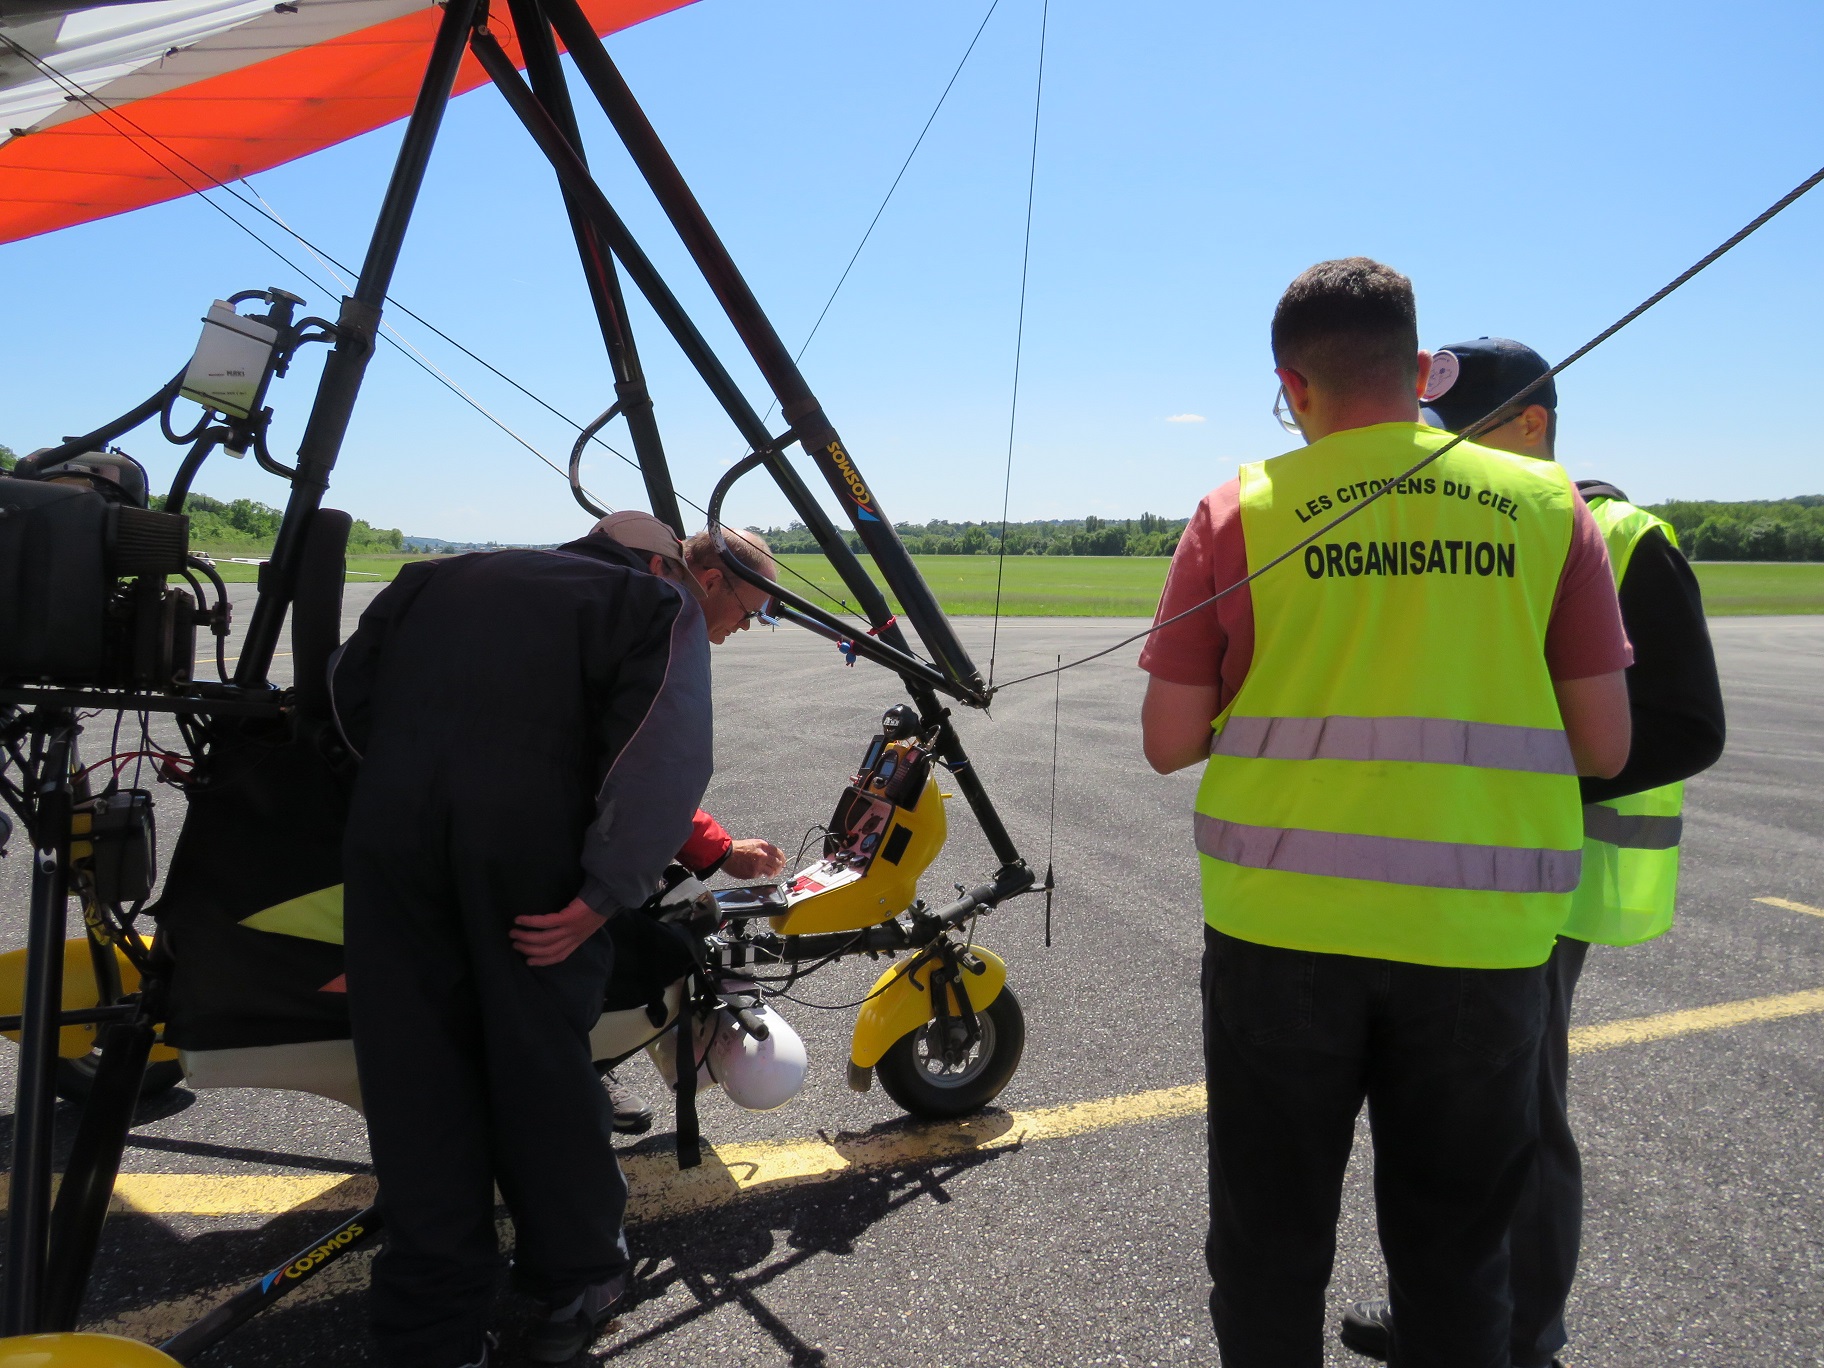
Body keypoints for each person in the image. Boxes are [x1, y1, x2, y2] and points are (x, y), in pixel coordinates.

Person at [1139, 258, 1635, 1368]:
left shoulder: (1240, 509)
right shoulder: (1550, 507)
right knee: (1459, 1258)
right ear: (1417, 370)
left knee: (1270, 1249)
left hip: (1281, 935)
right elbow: (1606, 743)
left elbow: (1169, 742)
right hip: (1482, 942)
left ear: (1291, 388)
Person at [1339, 338, 1726, 1368]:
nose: (1440, 455)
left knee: (1519, 1116)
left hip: (1553, 880)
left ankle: (1525, 1336)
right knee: (1447, 1114)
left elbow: (1688, 723)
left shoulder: (1617, 533)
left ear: (1532, 428)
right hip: (1467, 870)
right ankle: (1447, 1319)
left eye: (1458, 434)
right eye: (1432, 436)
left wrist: (1521, 783)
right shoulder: (1481, 528)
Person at [332, 520, 717, 1367]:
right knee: (538, 1066)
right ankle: (576, 1281)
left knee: (416, 1077)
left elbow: (347, 695)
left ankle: (431, 1331)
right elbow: (664, 753)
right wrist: (602, 895)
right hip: (525, 861)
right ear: (661, 563)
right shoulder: (650, 600)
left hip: (390, 843)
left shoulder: (433, 580)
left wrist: (417, 792)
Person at [587, 512, 786, 1134]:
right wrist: (721, 851)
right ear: (706, 580)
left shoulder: (618, 618)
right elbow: (642, 777)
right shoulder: (647, 641)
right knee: (661, 945)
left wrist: (716, 846)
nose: (742, 628)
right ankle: (572, 1063)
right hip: (533, 852)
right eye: (746, 611)